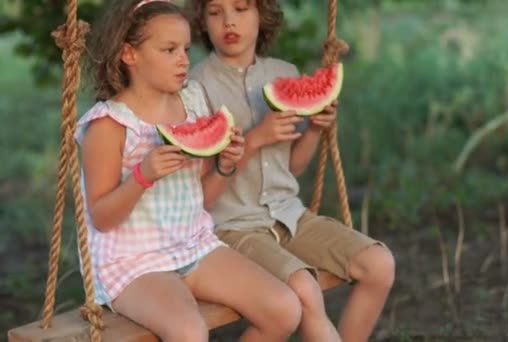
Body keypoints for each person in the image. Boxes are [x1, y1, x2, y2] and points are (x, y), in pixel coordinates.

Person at [75, 0, 301, 341]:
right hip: (133, 263)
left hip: (194, 245)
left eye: (184, 48)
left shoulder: (193, 102)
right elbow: (102, 217)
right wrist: (142, 176)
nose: (183, 60)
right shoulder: (109, 125)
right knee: (189, 333)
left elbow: (203, 199)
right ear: (129, 54)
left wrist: (225, 166)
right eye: (168, 50)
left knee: (285, 309)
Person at [187, 0, 396, 341]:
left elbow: (293, 166)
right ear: (202, 21)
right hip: (235, 228)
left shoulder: (284, 73)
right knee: (306, 291)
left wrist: (315, 128)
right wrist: (255, 139)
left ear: (261, 14)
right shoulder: (195, 87)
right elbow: (200, 192)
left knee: (379, 265)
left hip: (291, 216)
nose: (229, 21)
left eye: (241, 9)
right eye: (215, 12)